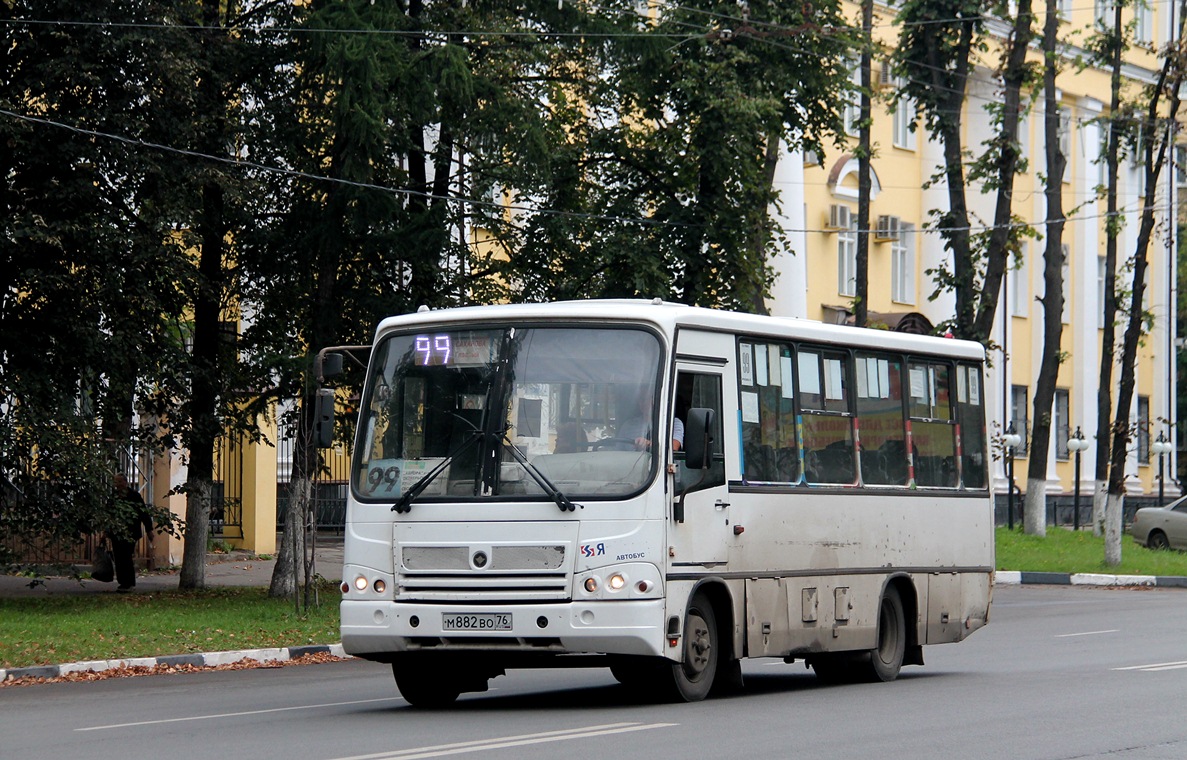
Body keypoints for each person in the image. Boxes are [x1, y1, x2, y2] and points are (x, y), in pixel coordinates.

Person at [110, 473, 153, 592]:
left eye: (119, 482)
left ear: (125, 482)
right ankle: (122, 583)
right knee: (118, 558)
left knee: (126, 556)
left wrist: (149, 530)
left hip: (130, 532)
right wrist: (106, 532)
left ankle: (129, 583)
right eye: (116, 482)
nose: (117, 485)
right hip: (116, 532)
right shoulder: (114, 497)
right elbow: (109, 515)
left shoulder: (134, 496)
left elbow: (144, 513)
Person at [616, 390, 683, 451]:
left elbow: (673, 447)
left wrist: (649, 444)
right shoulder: (628, 425)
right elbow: (617, 452)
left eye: (645, 399)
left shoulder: (673, 423)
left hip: (660, 463)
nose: (641, 403)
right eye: (640, 400)